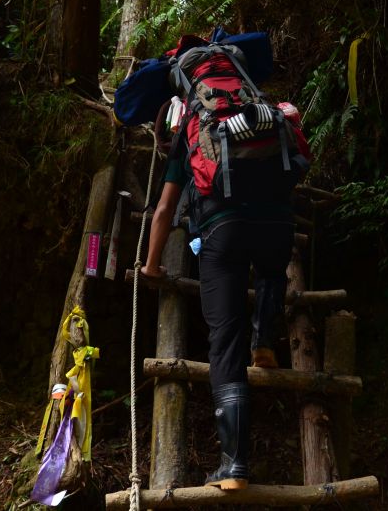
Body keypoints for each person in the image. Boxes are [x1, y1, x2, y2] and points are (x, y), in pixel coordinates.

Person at [140, 100, 297, 491]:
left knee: (225, 341)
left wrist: (151, 264)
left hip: (223, 231)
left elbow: (164, 209)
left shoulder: (193, 131)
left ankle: (234, 465)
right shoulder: (260, 117)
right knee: (271, 272)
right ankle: (264, 342)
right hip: (278, 226)